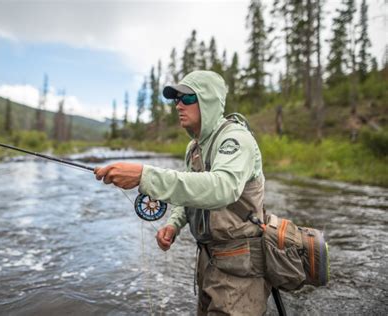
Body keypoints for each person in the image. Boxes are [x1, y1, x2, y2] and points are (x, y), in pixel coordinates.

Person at [94, 70, 270, 315]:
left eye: (187, 98)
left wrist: (144, 176)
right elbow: (191, 193)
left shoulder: (236, 138)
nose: (178, 105)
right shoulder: (194, 148)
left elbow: (223, 187)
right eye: (175, 99)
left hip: (241, 266)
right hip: (208, 262)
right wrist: (174, 224)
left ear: (207, 100)